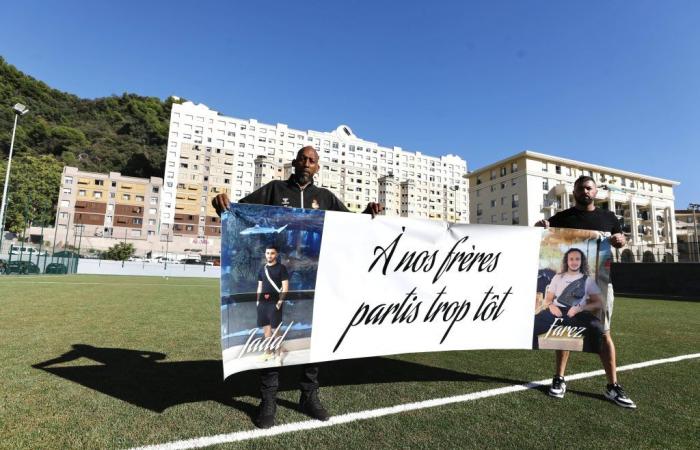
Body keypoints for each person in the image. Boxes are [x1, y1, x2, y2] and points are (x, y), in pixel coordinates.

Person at [213, 145, 383, 428]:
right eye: (303, 158)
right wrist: (221, 204)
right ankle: (268, 400)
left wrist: (368, 212)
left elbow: (350, 226)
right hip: (277, 277)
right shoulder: (273, 190)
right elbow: (236, 212)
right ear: (294, 163)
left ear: (318, 167)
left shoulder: (325, 197)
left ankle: (309, 396)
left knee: (314, 339)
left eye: (312, 160)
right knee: (273, 336)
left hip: (315, 279)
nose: (307, 163)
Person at [535, 175, 636, 408]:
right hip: (568, 285)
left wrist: (621, 239)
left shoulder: (608, 217)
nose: (585, 192)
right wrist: (541, 228)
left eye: (589, 188)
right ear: (574, 192)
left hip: (599, 283)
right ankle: (559, 379)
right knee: (565, 330)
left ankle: (613, 386)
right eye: (581, 188)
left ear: (596, 191)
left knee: (602, 332)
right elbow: (543, 234)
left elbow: (621, 240)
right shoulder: (562, 217)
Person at [532, 248, 604, 353]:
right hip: (556, 311)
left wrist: (580, 308)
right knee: (535, 323)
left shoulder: (587, 280)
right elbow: (547, 300)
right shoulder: (557, 277)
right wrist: (552, 306)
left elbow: (599, 303)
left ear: (581, 261)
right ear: (567, 261)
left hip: (578, 312)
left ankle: (587, 352)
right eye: (571, 259)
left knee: (596, 327)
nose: (574, 262)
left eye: (577, 259)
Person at [256, 245, 288, 361]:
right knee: (267, 330)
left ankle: (279, 354)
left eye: (272, 253)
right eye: (267, 253)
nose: (269, 255)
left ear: (277, 254)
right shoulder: (262, 269)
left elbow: (285, 288)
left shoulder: (281, 268)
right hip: (263, 303)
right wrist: (258, 301)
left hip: (275, 303)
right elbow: (259, 286)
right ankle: (268, 352)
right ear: (265, 254)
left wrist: (279, 303)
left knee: (275, 329)